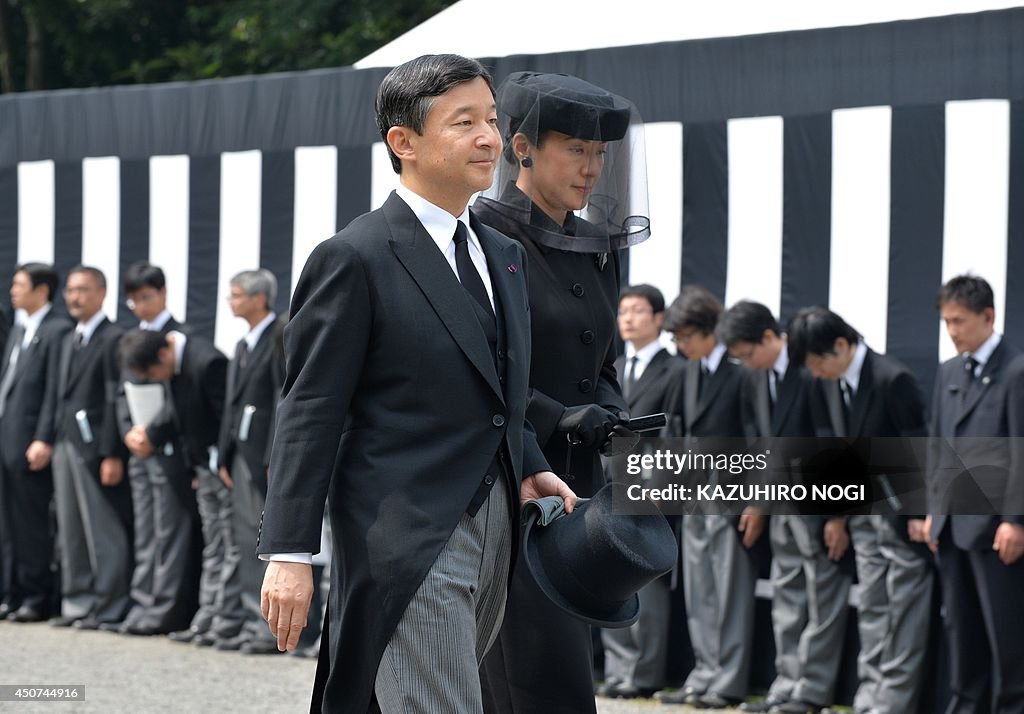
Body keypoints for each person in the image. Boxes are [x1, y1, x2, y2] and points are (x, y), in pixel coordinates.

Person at [256, 54, 576, 713]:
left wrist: (532, 464)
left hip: (496, 523)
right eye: (465, 122)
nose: (491, 138)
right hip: (404, 531)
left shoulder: (504, 255)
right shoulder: (355, 256)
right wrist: (290, 552)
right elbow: (310, 409)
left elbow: (499, 389)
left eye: (492, 119)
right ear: (403, 142)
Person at [472, 70, 650, 714]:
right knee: (533, 671)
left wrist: (611, 410)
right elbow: (481, 369)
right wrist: (560, 415)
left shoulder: (595, 245)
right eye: (575, 149)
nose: (591, 169)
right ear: (522, 148)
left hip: (583, 480)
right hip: (512, 476)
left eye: (599, 153)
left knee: (558, 664)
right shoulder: (484, 237)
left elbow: (603, 355)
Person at [788, 306, 933, 714]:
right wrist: (835, 515)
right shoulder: (825, 384)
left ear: (841, 344)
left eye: (818, 361)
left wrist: (921, 516)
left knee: (904, 612)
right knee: (871, 606)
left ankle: (894, 702)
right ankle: (869, 696)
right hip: (860, 515)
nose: (815, 371)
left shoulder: (893, 379)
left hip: (902, 518)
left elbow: (919, 455)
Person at [717, 300, 851, 714]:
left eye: (748, 354)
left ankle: (813, 688)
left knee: (821, 598)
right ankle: (787, 682)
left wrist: (837, 514)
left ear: (771, 337)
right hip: (778, 505)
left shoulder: (812, 368)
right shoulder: (754, 379)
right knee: (787, 596)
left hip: (817, 503)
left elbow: (835, 441)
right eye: (738, 359)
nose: (747, 365)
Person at [917, 275, 1024, 713]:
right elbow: (938, 445)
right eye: (947, 322)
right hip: (953, 527)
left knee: (1005, 634)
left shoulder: (1016, 372)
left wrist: (1016, 520)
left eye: (960, 321)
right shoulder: (948, 372)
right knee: (960, 631)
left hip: (996, 530)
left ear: (988, 317)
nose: (953, 331)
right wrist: (932, 511)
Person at [657, 286, 765, 709]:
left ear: (709, 331)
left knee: (729, 590)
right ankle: (703, 670)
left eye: (686, 336)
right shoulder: (687, 372)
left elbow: (758, 438)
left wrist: (757, 498)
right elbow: (676, 428)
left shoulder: (741, 371)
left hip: (733, 491)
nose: (681, 346)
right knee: (698, 588)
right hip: (693, 490)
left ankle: (729, 678)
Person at [119, 327, 233, 644]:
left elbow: (227, 417)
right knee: (215, 545)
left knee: (231, 545)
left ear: (164, 354)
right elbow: (179, 416)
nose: (158, 379)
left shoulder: (206, 361)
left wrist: (224, 460)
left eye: (156, 371)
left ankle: (226, 617)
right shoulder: (177, 365)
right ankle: (208, 616)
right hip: (201, 466)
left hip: (222, 467)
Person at [600, 284, 682, 700]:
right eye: (623, 311)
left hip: (653, 486)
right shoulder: (612, 366)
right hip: (609, 484)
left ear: (659, 318)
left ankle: (645, 672)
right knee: (610, 579)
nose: (628, 318)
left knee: (647, 583)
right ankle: (617, 669)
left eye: (638, 310)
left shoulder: (676, 370)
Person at [114, 261, 202, 635]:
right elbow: (120, 394)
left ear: (163, 293)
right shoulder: (131, 339)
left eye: (146, 297)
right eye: (133, 301)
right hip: (139, 448)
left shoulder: (178, 338)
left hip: (168, 448)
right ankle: (143, 601)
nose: (140, 307)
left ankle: (165, 608)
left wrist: (153, 432)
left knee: (170, 532)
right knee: (146, 531)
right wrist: (129, 432)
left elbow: (182, 399)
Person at [50, 266, 133, 629]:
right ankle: (77, 602)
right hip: (65, 442)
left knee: (103, 529)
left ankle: (110, 605)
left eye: (82, 290)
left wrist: (111, 451)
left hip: (96, 447)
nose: (74, 297)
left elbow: (116, 398)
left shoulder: (113, 337)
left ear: (101, 293)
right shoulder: (69, 338)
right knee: (71, 529)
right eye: (70, 290)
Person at [212, 269, 284, 655]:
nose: (231, 302)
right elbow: (231, 406)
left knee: (262, 540)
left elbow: (281, 399)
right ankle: (246, 619)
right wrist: (223, 453)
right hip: (239, 452)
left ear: (259, 298)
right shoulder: (241, 345)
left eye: (237, 295)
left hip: (263, 455)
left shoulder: (278, 337)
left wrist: (276, 453)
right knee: (243, 541)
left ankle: (266, 628)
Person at [0, 263, 71, 622]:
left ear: (42, 290)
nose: (13, 291)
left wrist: (44, 436)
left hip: (30, 441)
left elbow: (53, 392)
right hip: (7, 437)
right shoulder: (19, 329)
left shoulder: (57, 330)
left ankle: (36, 595)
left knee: (31, 523)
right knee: (8, 522)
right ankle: (12, 592)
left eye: (20, 285)